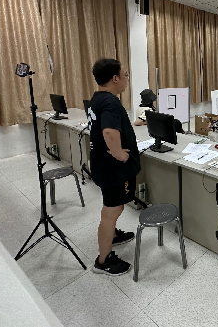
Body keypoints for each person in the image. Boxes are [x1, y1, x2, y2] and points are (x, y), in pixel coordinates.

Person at [88, 58, 140, 276]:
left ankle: (113, 236)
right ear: (115, 78)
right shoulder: (110, 102)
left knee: (113, 208)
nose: (127, 79)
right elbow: (109, 131)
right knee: (112, 210)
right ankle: (104, 260)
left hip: (102, 165)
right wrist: (119, 154)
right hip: (113, 169)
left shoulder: (97, 98)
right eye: (125, 75)